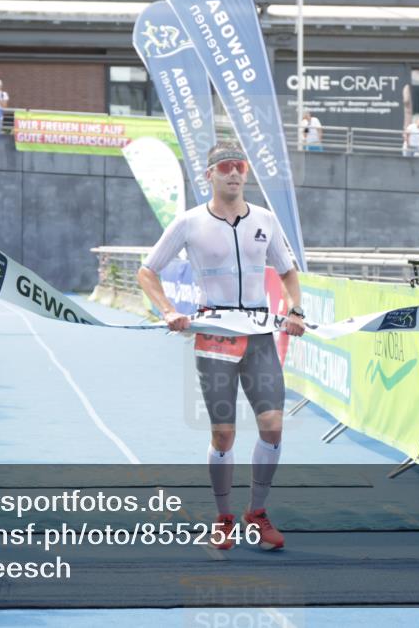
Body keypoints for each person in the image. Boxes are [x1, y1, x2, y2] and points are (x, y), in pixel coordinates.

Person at [137, 140, 306, 551]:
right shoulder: (189, 222)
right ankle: (224, 516)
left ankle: (258, 511)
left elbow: (288, 271)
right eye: (225, 166)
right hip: (214, 339)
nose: (234, 173)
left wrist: (295, 310)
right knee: (224, 435)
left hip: (260, 337)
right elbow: (147, 272)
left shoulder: (265, 219)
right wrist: (167, 311)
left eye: (240, 167)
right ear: (209, 175)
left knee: (273, 426)